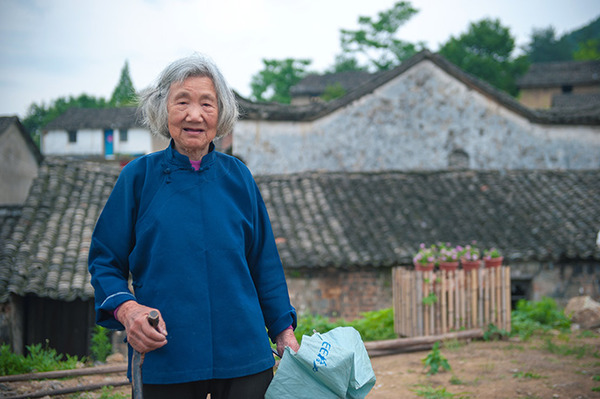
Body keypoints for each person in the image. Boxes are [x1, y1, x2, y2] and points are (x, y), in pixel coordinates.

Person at [88, 54, 300, 399]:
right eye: (182, 101)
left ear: (222, 113)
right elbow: (105, 261)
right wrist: (128, 310)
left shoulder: (239, 177)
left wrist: (283, 330)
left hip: (245, 356)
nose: (195, 115)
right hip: (166, 355)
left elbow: (265, 263)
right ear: (164, 110)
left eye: (207, 103)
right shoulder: (138, 179)